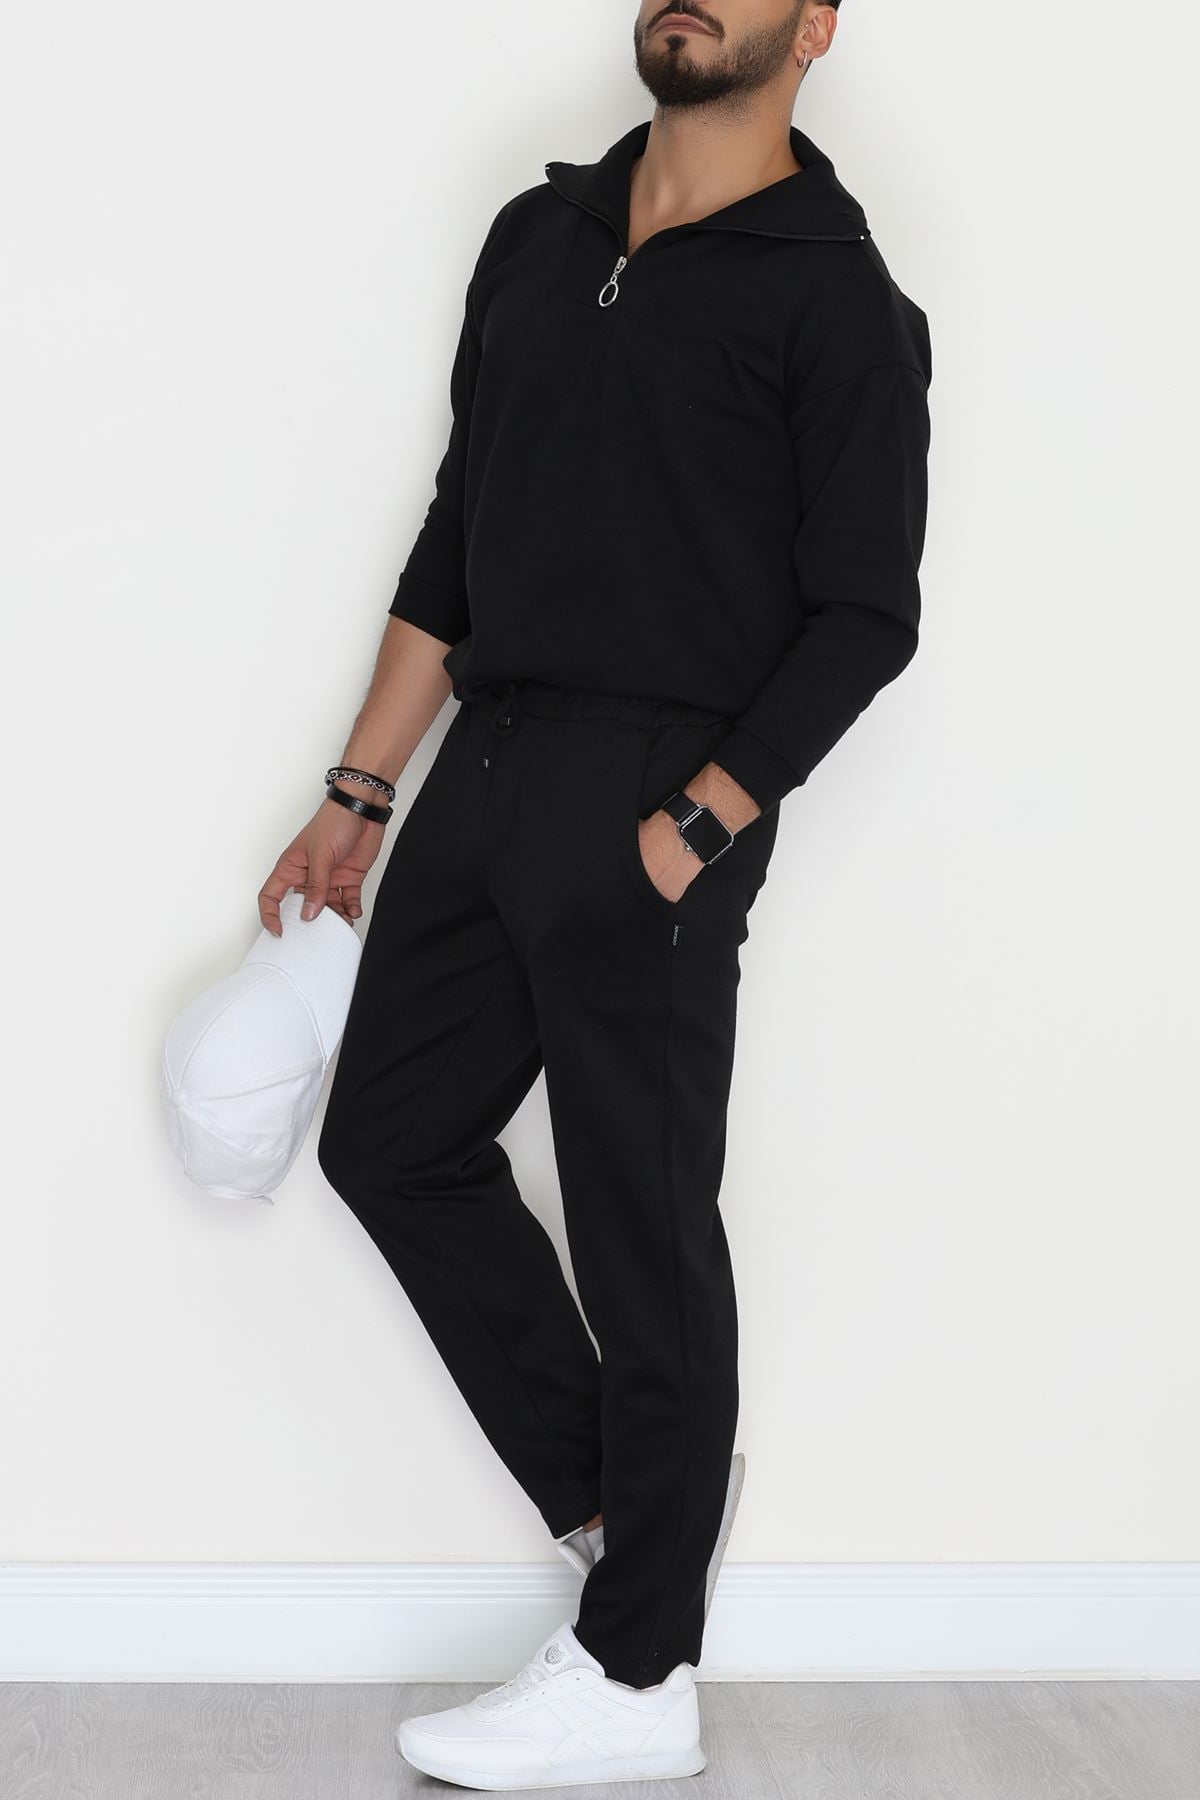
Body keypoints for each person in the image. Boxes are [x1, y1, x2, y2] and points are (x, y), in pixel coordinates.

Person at [258, 0, 931, 1788]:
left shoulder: (838, 298)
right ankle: (634, 1526)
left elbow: (867, 613)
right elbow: (458, 531)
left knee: (644, 1224)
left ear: (816, 24)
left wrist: (697, 823)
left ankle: (640, 1679)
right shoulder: (541, 234)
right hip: (481, 769)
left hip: (658, 791)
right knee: (390, 1138)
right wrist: (360, 789)